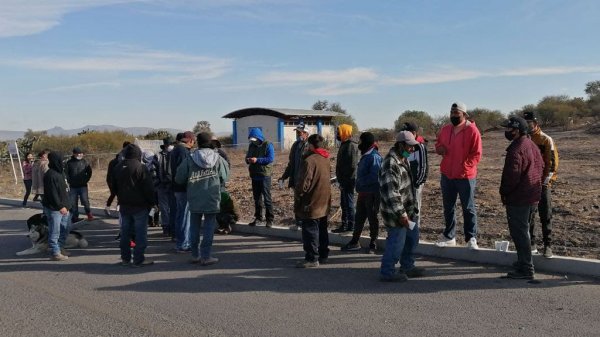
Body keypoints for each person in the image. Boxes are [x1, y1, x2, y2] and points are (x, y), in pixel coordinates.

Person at [175, 132, 229, 265]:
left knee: (194, 227)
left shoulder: (190, 158)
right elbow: (225, 176)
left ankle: (195, 255)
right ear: (210, 142)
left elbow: (179, 178)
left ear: (197, 142)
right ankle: (206, 256)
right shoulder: (218, 158)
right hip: (212, 197)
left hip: (194, 198)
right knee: (209, 227)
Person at [499, 116, 544, 279]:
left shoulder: (516, 149)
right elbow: (541, 167)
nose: (507, 132)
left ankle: (526, 267)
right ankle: (523, 262)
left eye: (509, 129)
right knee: (524, 231)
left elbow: (512, 176)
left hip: (519, 197)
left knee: (520, 233)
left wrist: (504, 192)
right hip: (532, 195)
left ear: (517, 131)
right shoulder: (531, 145)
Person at [434, 102, 482, 249]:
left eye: (456, 113)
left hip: (465, 176)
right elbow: (438, 145)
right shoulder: (445, 129)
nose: (453, 115)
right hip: (447, 174)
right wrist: (440, 149)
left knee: (468, 207)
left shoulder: (472, 131)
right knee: (448, 207)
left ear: (464, 114)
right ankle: (449, 236)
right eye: (452, 112)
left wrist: (465, 167)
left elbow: (477, 154)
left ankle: (471, 238)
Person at [379, 131, 420, 282]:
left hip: (409, 210)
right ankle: (387, 272)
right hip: (396, 214)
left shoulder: (404, 159)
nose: (412, 149)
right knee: (396, 243)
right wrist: (402, 215)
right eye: (409, 146)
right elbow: (392, 193)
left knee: (412, 239)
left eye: (413, 147)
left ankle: (407, 266)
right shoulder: (391, 163)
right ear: (401, 145)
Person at [523, 111, 560, 259]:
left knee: (546, 214)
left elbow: (552, 163)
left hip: (543, 184)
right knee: (529, 215)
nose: (527, 126)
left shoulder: (546, 139)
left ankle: (548, 245)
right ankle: (531, 244)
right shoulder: (524, 139)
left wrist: (546, 182)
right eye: (525, 124)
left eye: (529, 123)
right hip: (528, 184)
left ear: (536, 124)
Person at [111, 144, 156, 267]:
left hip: (124, 205)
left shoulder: (118, 167)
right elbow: (148, 188)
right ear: (138, 154)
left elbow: (113, 186)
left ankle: (125, 259)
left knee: (125, 233)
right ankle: (138, 259)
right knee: (140, 233)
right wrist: (152, 203)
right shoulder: (140, 167)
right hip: (139, 206)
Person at [340, 132, 382, 253]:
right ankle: (354, 241)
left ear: (367, 142)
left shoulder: (374, 156)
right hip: (363, 193)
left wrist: (360, 181)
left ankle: (373, 243)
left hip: (372, 194)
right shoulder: (366, 155)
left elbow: (375, 176)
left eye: (361, 141)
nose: (359, 143)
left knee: (372, 218)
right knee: (359, 218)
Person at [295, 134, 331, 268]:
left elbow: (303, 184)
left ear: (310, 145)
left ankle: (312, 258)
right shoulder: (326, 158)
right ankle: (323, 255)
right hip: (324, 199)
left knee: (310, 230)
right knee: (322, 229)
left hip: (311, 201)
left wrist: (298, 196)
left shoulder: (309, 161)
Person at [400, 122, 429, 277]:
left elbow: (424, 168)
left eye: (408, 131)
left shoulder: (420, 147)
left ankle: (407, 262)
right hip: (404, 189)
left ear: (414, 132)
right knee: (407, 222)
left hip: (414, 189)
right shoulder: (406, 149)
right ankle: (405, 262)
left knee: (412, 221)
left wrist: (417, 184)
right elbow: (403, 162)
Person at [42, 151, 72, 261]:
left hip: (65, 207)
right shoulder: (50, 175)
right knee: (55, 231)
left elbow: (64, 190)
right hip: (55, 208)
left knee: (67, 227)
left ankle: (60, 247)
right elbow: (52, 193)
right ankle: (55, 252)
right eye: (61, 160)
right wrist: (60, 206)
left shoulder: (60, 172)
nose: (62, 162)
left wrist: (68, 205)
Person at [279, 122, 309, 231]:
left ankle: (306, 225)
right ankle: (298, 223)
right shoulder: (295, 145)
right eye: (297, 132)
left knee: (306, 203)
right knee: (297, 203)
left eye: (300, 132)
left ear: (306, 133)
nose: (298, 134)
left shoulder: (310, 146)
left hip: (306, 181)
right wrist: (284, 177)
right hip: (296, 180)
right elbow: (291, 164)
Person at [170, 131, 195, 253]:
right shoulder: (184, 152)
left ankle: (180, 241)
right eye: (193, 142)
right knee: (185, 217)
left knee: (180, 215)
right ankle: (184, 244)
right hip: (183, 188)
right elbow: (184, 171)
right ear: (190, 140)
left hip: (176, 188)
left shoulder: (175, 150)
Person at [332, 124, 359, 233]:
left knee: (349, 203)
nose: (337, 134)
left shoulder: (351, 145)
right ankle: (344, 224)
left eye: (339, 132)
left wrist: (344, 180)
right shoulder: (344, 144)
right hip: (343, 180)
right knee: (343, 203)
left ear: (345, 132)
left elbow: (352, 166)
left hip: (349, 180)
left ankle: (351, 225)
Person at [245, 128, 275, 227]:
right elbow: (247, 157)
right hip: (254, 175)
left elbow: (270, 159)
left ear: (259, 137)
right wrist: (248, 160)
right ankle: (258, 218)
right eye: (252, 140)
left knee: (267, 198)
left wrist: (257, 160)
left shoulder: (268, 145)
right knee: (257, 198)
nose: (253, 141)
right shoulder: (251, 146)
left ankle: (269, 219)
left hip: (264, 175)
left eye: (255, 139)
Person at [66, 147, 93, 222]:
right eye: (78, 153)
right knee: (73, 203)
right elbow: (66, 174)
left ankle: (89, 214)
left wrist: (86, 179)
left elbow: (89, 172)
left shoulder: (85, 162)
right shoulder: (69, 163)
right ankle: (75, 217)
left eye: (81, 153)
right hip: (73, 187)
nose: (80, 155)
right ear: (74, 154)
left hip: (83, 186)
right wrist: (69, 181)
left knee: (85, 201)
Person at [156, 137, 175, 236]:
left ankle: (172, 227)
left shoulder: (175, 154)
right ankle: (166, 227)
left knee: (172, 207)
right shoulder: (158, 156)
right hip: (162, 186)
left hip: (173, 186)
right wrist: (158, 183)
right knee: (164, 208)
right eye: (169, 145)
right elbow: (155, 171)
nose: (170, 147)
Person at [105, 141, 130, 216]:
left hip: (112, 179)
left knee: (116, 194)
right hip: (113, 180)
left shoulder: (118, 159)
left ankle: (111, 208)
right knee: (116, 194)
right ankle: (113, 209)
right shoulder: (120, 159)